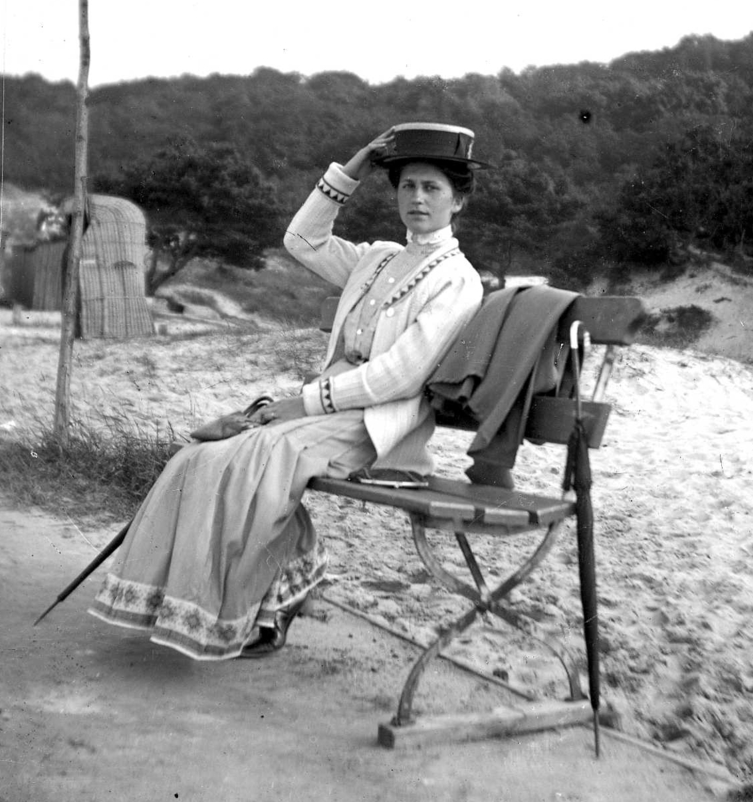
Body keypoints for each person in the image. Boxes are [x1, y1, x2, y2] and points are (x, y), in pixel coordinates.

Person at [89, 124, 485, 661]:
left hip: (378, 424)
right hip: (327, 409)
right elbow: (302, 240)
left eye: (432, 188)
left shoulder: (457, 279)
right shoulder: (379, 257)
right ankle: (246, 594)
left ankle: (260, 607)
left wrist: (303, 403)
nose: (417, 198)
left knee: (256, 459)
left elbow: (399, 377)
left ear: (458, 200)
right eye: (407, 185)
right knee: (202, 456)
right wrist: (353, 167)